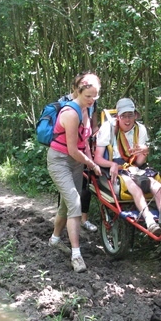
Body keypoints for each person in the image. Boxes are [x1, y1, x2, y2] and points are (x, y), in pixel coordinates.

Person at [47, 72, 102, 273]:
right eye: (88, 96)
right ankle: (76, 255)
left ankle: (54, 239)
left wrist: (90, 161)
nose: (91, 100)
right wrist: (92, 164)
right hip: (60, 160)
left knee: (67, 203)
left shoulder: (88, 110)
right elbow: (72, 149)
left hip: (76, 163)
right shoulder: (70, 113)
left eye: (95, 97)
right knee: (75, 204)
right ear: (78, 92)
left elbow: (84, 140)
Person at [94, 98, 161, 234]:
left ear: (135, 115)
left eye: (130, 115)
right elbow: (97, 158)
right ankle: (149, 220)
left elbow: (139, 163)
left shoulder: (140, 129)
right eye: (123, 116)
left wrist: (144, 152)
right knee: (133, 186)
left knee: (157, 186)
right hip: (116, 167)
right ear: (118, 117)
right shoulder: (108, 128)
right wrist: (111, 164)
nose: (127, 120)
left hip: (134, 167)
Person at [59, 73, 99, 233]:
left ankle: (84, 219)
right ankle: (64, 227)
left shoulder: (91, 103)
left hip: (86, 149)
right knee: (67, 194)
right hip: (67, 151)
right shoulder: (65, 103)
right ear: (76, 89)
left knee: (85, 186)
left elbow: (94, 126)